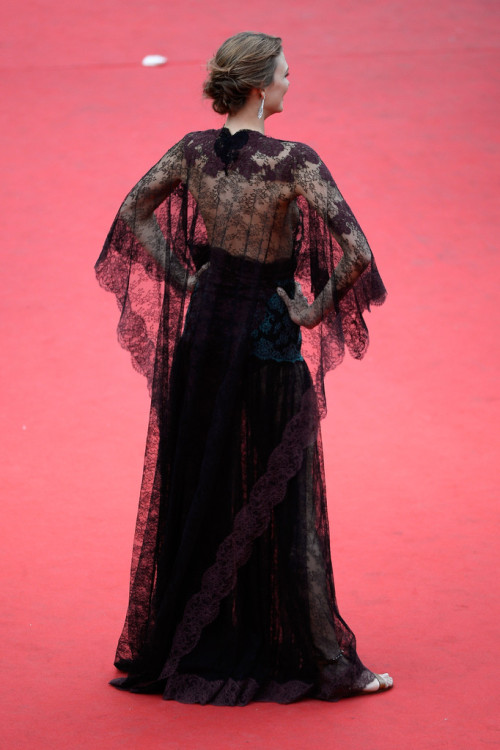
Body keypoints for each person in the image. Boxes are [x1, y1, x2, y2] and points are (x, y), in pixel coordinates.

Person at [96, 31, 392, 706]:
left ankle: (185, 645)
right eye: (286, 72)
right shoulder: (293, 161)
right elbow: (357, 251)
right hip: (266, 346)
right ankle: (326, 662)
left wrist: (182, 276)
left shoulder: (192, 151)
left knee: (202, 486)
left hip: (204, 344)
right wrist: (314, 311)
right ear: (260, 87)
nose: (291, 81)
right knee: (293, 505)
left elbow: (131, 213)